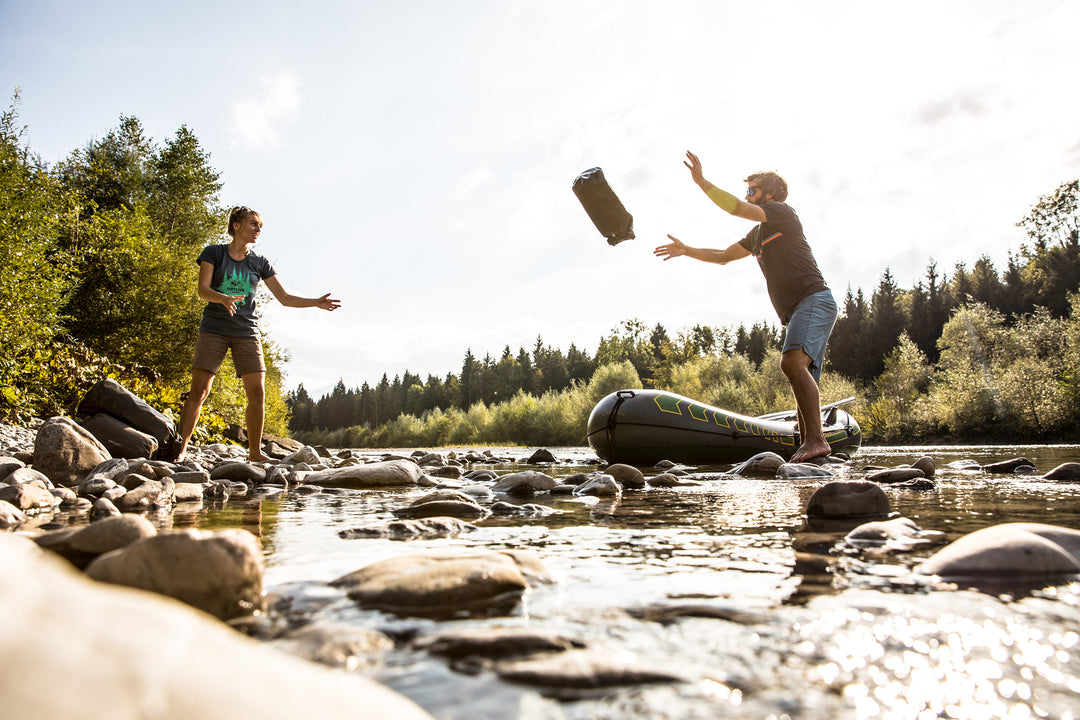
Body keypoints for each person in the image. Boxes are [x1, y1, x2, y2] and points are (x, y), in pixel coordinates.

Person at [654, 151, 837, 463]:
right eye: (747, 190)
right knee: (801, 373)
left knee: (792, 364)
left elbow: (736, 209)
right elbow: (724, 255)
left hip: (814, 299)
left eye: (752, 190)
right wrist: (686, 250)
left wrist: (701, 182)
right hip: (799, 309)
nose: (747, 195)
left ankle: (816, 441)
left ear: (770, 194)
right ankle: (809, 446)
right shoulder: (758, 234)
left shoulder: (782, 212)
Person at [176, 206, 340, 462]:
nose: (258, 230)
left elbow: (284, 298)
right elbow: (202, 290)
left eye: (260, 226)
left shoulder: (259, 262)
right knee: (199, 391)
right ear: (236, 226)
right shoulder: (214, 253)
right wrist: (223, 298)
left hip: (247, 332)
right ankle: (180, 447)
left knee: (257, 393)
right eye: (253, 224)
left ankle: (255, 453)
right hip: (214, 330)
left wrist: (315, 302)